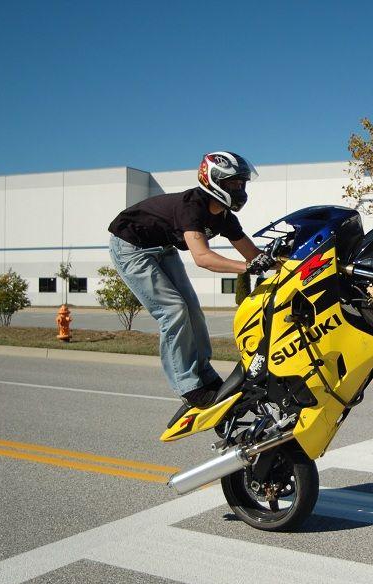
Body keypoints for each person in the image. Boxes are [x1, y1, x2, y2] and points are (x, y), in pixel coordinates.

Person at [108, 151, 275, 411]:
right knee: (173, 310)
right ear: (213, 181)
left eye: (241, 184)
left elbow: (255, 255)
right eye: (232, 183)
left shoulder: (224, 217)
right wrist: (247, 267)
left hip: (162, 248)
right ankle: (188, 387)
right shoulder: (192, 206)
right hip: (131, 246)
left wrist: (295, 265)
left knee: (193, 311)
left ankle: (205, 375)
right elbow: (203, 257)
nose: (239, 189)